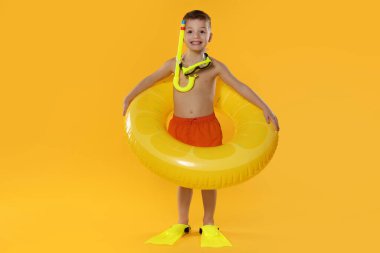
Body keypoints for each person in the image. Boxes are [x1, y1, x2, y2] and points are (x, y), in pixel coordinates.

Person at [122, 10, 280, 247]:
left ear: (210, 36)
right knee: (183, 179)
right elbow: (150, 79)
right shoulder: (173, 65)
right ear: (183, 35)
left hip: (207, 127)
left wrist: (266, 107)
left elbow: (240, 86)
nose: (196, 36)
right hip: (180, 126)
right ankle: (182, 222)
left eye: (202, 31)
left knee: (209, 179)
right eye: (192, 31)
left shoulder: (214, 67)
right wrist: (129, 97)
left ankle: (208, 222)